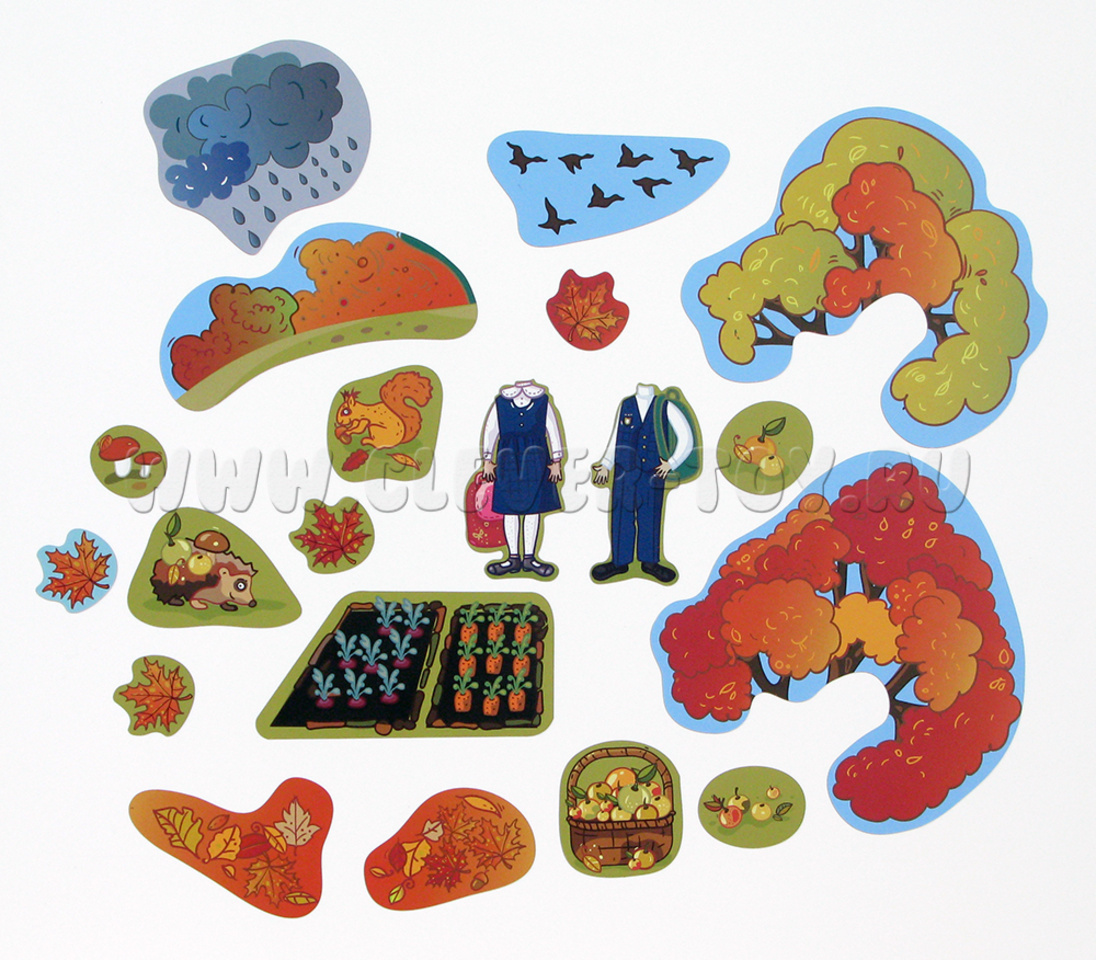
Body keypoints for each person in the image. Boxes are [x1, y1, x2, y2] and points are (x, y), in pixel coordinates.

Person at [590, 383, 694, 583]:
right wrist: (605, 464)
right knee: (621, 516)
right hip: (624, 471)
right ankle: (619, 562)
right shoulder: (626, 404)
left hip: (652, 472)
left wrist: (671, 463)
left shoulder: (665, 406)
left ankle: (650, 562)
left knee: (650, 516)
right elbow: (616, 438)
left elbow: (686, 438)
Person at [480, 380, 564, 577]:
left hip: (537, 458)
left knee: (533, 508)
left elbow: (552, 430)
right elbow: (491, 431)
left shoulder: (543, 402)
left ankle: (529, 558)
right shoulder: (500, 403)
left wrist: (556, 460)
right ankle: (512, 558)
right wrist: (487, 459)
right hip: (507, 458)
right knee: (508, 509)